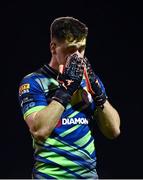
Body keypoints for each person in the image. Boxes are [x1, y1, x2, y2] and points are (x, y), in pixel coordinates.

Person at [18, 16, 120, 179]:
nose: (78, 57)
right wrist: (65, 91)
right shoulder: (34, 81)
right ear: (53, 47)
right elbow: (39, 131)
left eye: (82, 49)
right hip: (50, 176)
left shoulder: (88, 79)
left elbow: (114, 130)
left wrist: (99, 96)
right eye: (72, 50)